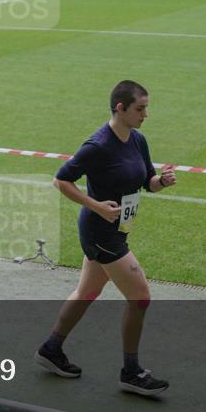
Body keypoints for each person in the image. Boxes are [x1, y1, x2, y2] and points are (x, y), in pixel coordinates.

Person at [36, 80, 176, 395]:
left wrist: (161, 181)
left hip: (116, 229)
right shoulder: (97, 146)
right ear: (120, 108)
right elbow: (62, 181)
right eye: (140, 108)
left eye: (146, 108)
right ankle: (131, 372)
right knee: (140, 299)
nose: (146, 114)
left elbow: (145, 182)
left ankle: (51, 350)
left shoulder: (138, 140)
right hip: (101, 233)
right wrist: (95, 205)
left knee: (87, 291)